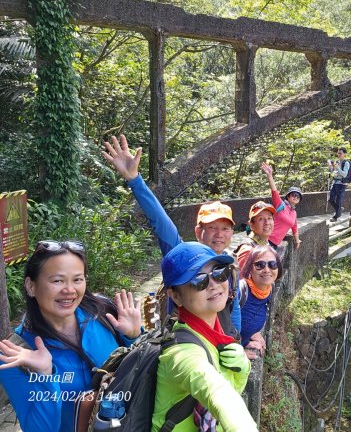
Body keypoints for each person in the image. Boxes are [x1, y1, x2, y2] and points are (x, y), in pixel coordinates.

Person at [102, 134, 242, 338]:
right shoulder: (182, 257)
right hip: (188, 343)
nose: (219, 234)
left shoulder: (229, 266)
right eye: (212, 227)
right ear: (198, 232)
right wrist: (135, 181)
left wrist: (236, 340)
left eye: (225, 228)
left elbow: (233, 307)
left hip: (221, 346)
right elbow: (160, 220)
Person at [0, 240, 141, 432]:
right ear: (31, 286)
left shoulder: (102, 313)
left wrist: (133, 337)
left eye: (77, 279)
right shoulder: (15, 353)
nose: (70, 290)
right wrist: (45, 375)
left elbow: (138, 372)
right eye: (57, 280)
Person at [153, 242, 257, 432]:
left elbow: (230, 393)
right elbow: (217, 393)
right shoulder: (181, 352)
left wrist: (242, 370)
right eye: (198, 280)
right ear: (176, 297)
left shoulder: (217, 333)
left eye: (219, 272)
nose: (214, 284)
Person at [238, 245, 282, 359]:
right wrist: (237, 352)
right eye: (260, 265)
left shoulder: (269, 288)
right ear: (250, 268)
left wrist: (250, 334)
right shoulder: (240, 291)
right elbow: (219, 326)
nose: (267, 270)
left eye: (272, 264)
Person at [260, 162, 302, 249]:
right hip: (265, 239)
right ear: (288, 196)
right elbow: (274, 191)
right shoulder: (280, 204)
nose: (296, 197)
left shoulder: (294, 213)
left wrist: (297, 240)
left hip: (274, 244)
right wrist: (269, 175)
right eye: (293, 194)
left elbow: (294, 228)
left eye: (298, 196)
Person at [234, 201, 276, 271]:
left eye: (269, 218)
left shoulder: (264, 243)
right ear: (251, 225)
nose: (267, 222)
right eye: (261, 219)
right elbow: (242, 279)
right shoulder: (248, 250)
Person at [328, 147, 350, 222]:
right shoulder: (337, 162)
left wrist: (337, 168)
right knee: (331, 199)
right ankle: (339, 209)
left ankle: (336, 216)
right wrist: (331, 167)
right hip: (335, 183)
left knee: (338, 200)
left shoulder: (346, 163)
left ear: (344, 154)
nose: (339, 154)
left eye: (340, 153)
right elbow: (333, 173)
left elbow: (344, 174)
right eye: (338, 153)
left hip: (342, 184)